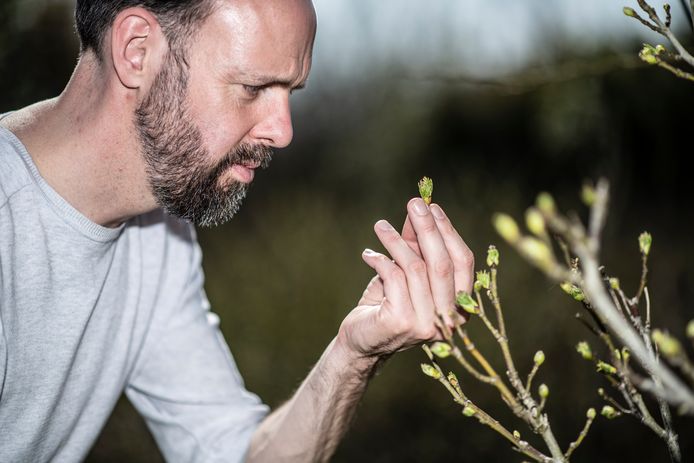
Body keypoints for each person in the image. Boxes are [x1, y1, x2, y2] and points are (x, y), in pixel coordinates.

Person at [0, 0, 474, 461]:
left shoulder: (159, 237)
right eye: (252, 87)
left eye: (290, 92)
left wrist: (354, 354)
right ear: (137, 50)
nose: (283, 132)